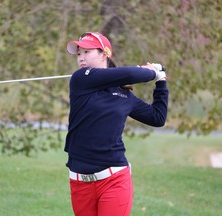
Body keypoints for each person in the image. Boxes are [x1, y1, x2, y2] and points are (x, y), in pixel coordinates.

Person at [65, 32, 168, 216]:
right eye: (79, 53)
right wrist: (151, 71)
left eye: (87, 52)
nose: (81, 57)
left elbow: (157, 118)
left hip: (114, 179)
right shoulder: (81, 79)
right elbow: (129, 73)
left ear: (104, 54)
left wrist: (161, 82)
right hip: (80, 181)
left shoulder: (124, 95)